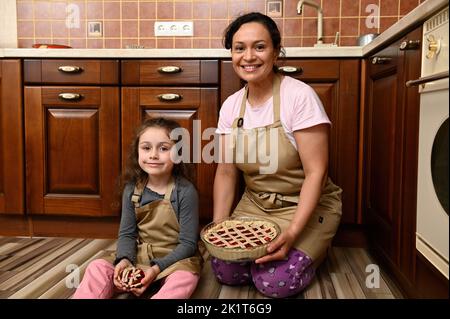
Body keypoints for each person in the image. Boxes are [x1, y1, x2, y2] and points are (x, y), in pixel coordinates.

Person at [211, 12, 342, 298]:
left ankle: (316, 248)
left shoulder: (299, 96)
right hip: (255, 206)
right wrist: (220, 229)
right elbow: (225, 170)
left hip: (305, 206)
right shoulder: (231, 106)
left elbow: (316, 172)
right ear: (231, 54)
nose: (249, 56)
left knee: (274, 282)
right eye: (239, 48)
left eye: (259, 47)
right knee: (225, 269)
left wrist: (294, 232)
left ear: (276, 51)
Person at [73, 117, 202, 299]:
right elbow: (127, 234)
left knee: (185, 277)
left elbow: (188, 244)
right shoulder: (131, 189)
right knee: (97, 267)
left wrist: (156, 269)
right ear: (137, 151)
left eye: (164, 149)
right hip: (139, 258)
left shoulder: (185, 191)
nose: (153, 155)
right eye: (146, 148)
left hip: (174, 261)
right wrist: (124, 260)